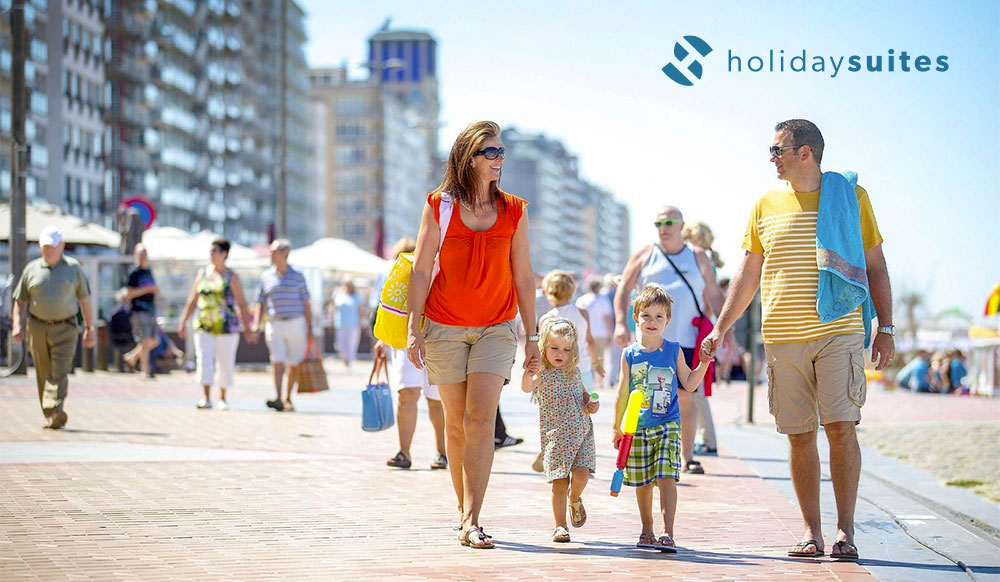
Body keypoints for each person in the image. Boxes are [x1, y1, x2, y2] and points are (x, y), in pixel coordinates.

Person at [702, 119, 895, 562]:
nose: (771, 158)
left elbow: (876, 266)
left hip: (839, 329)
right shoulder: (765, 203)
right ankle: (812, 532)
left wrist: (885, 327)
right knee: (798, 435)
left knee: (841, 428)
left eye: (777, 150)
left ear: (804, 152)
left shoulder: (850, 198)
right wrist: (721, 326)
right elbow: (750, 272)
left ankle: (846, 532)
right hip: (782, 337)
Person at [406, 120, 539, 549]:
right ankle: (464, 510)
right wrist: (414, 326)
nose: (500, 159)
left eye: (502, 152)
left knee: (481, 419)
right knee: (456, 425)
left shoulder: (515, 210)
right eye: (492, 152)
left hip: (496, 327)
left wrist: (532, 336)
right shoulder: (438, 205)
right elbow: (422, 267)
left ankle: (472, 518)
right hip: (443, 325)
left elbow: (524, 275)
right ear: (469, 158)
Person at [614, 205, 728, 475]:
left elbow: (713, 293)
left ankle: (686, 457)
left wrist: (725, 330)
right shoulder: (645, 254)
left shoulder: (697, 255)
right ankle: (648, 453)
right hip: (650, 344)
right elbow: (623, 290)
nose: (663, 228)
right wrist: (620, 323)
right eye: (658, 224)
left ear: (681, 225)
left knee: (686, 399)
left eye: (668, 222)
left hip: (686, 341)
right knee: (645, 398)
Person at [613, 285, 709, 550]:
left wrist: (703, 363)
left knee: (666, 475)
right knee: (642, 481)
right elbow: (622, 392)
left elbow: (689, 383)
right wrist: (617, 427)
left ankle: (668, 533)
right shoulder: (629, 354)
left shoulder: (673, 350)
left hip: (668, 424)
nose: (652, 321)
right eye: (646, 315)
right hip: (637, 426)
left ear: (667, 321)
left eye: (659, 316)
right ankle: (647, 530)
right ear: (636, 318)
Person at [521, 318, 598, 543]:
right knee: (559, 482)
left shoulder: (574, 371)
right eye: (554, 348)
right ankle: (560, 526)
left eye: (566, 349)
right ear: (544, 346)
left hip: (582, 432)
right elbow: (527, 387)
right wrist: (527, 373)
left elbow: (585, 396)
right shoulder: (542, 373)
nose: (560, 354)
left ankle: (575, 498)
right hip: (555, 436)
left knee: (582, 475)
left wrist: (592, 403)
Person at [11, 226, 96, 429]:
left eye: (52, 246)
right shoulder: (31, 269)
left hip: (66, 327)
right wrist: (17, 325)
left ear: (62, 246)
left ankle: (55, 409)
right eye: (45, 246)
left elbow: (84, 301)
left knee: (60, 369)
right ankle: (51, 412)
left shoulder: (74, 268)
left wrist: (89, 327)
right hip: (37, 326)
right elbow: (20, 301)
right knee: (43, 370)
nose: (48, 250)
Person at [374, 237, 448, 471]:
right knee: (407, 394)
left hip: (436, 338)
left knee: (435, 400)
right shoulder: (394, 272)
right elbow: (387, 306)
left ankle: (442, 452)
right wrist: (382, 339)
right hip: (405, 340)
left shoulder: (439, 268)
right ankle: (404, 452)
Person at [178, 238, 255, 410]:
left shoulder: (231, 277)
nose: (211, 254)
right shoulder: (202, 273)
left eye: (215, 251)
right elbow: (193, 299)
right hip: (204, 324)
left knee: (224, 361)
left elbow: (242, 303)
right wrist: (184, 321)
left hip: (227, 326)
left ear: (224, 254)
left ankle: (223, 397)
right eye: (210, 251)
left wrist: (248, 328)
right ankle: (205, 397)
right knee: (204, 359)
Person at [252, 238, 313, 412]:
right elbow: (260, 303)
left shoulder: (298, 275)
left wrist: (309, 328)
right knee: (277, 361)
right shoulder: (266, 276)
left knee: (293, 363)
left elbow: (306, 303)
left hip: (296, 322)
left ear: (285, 253)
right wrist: (257, 324)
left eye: (274, 251)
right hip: (275, 323)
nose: (270, 254)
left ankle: (288, 397)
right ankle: (278, 397)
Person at [540, 270, 605, 389]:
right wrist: (595, 362)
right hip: (582, 369)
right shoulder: (582, 312)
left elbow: (543, 350)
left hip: (556, 373)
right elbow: (589, 341)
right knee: (585, 406)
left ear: (550, 292)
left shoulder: (546, 318)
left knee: (557, 407)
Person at [125, 243, 159, 379]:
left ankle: (132, 356)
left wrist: (155, 291)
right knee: (145, 340)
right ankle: (145, 371)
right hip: (138, 310)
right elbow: (129, 293)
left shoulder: (149, 271)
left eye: (144, 254)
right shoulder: (134, 272)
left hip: (150, 310)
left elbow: (154, 288)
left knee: (154, 340)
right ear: (135, 255)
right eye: (140, 254)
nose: (142, 257)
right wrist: (146, 290)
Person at [333, 280, 362, 370]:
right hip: (340, 323)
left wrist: (360, 323)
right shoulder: (338, 295)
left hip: (353, 324)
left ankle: (349, 362)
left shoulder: (357, 297)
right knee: (339, 344)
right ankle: (344, 359)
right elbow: (333, 308)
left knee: (351, 344)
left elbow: (360, 310)